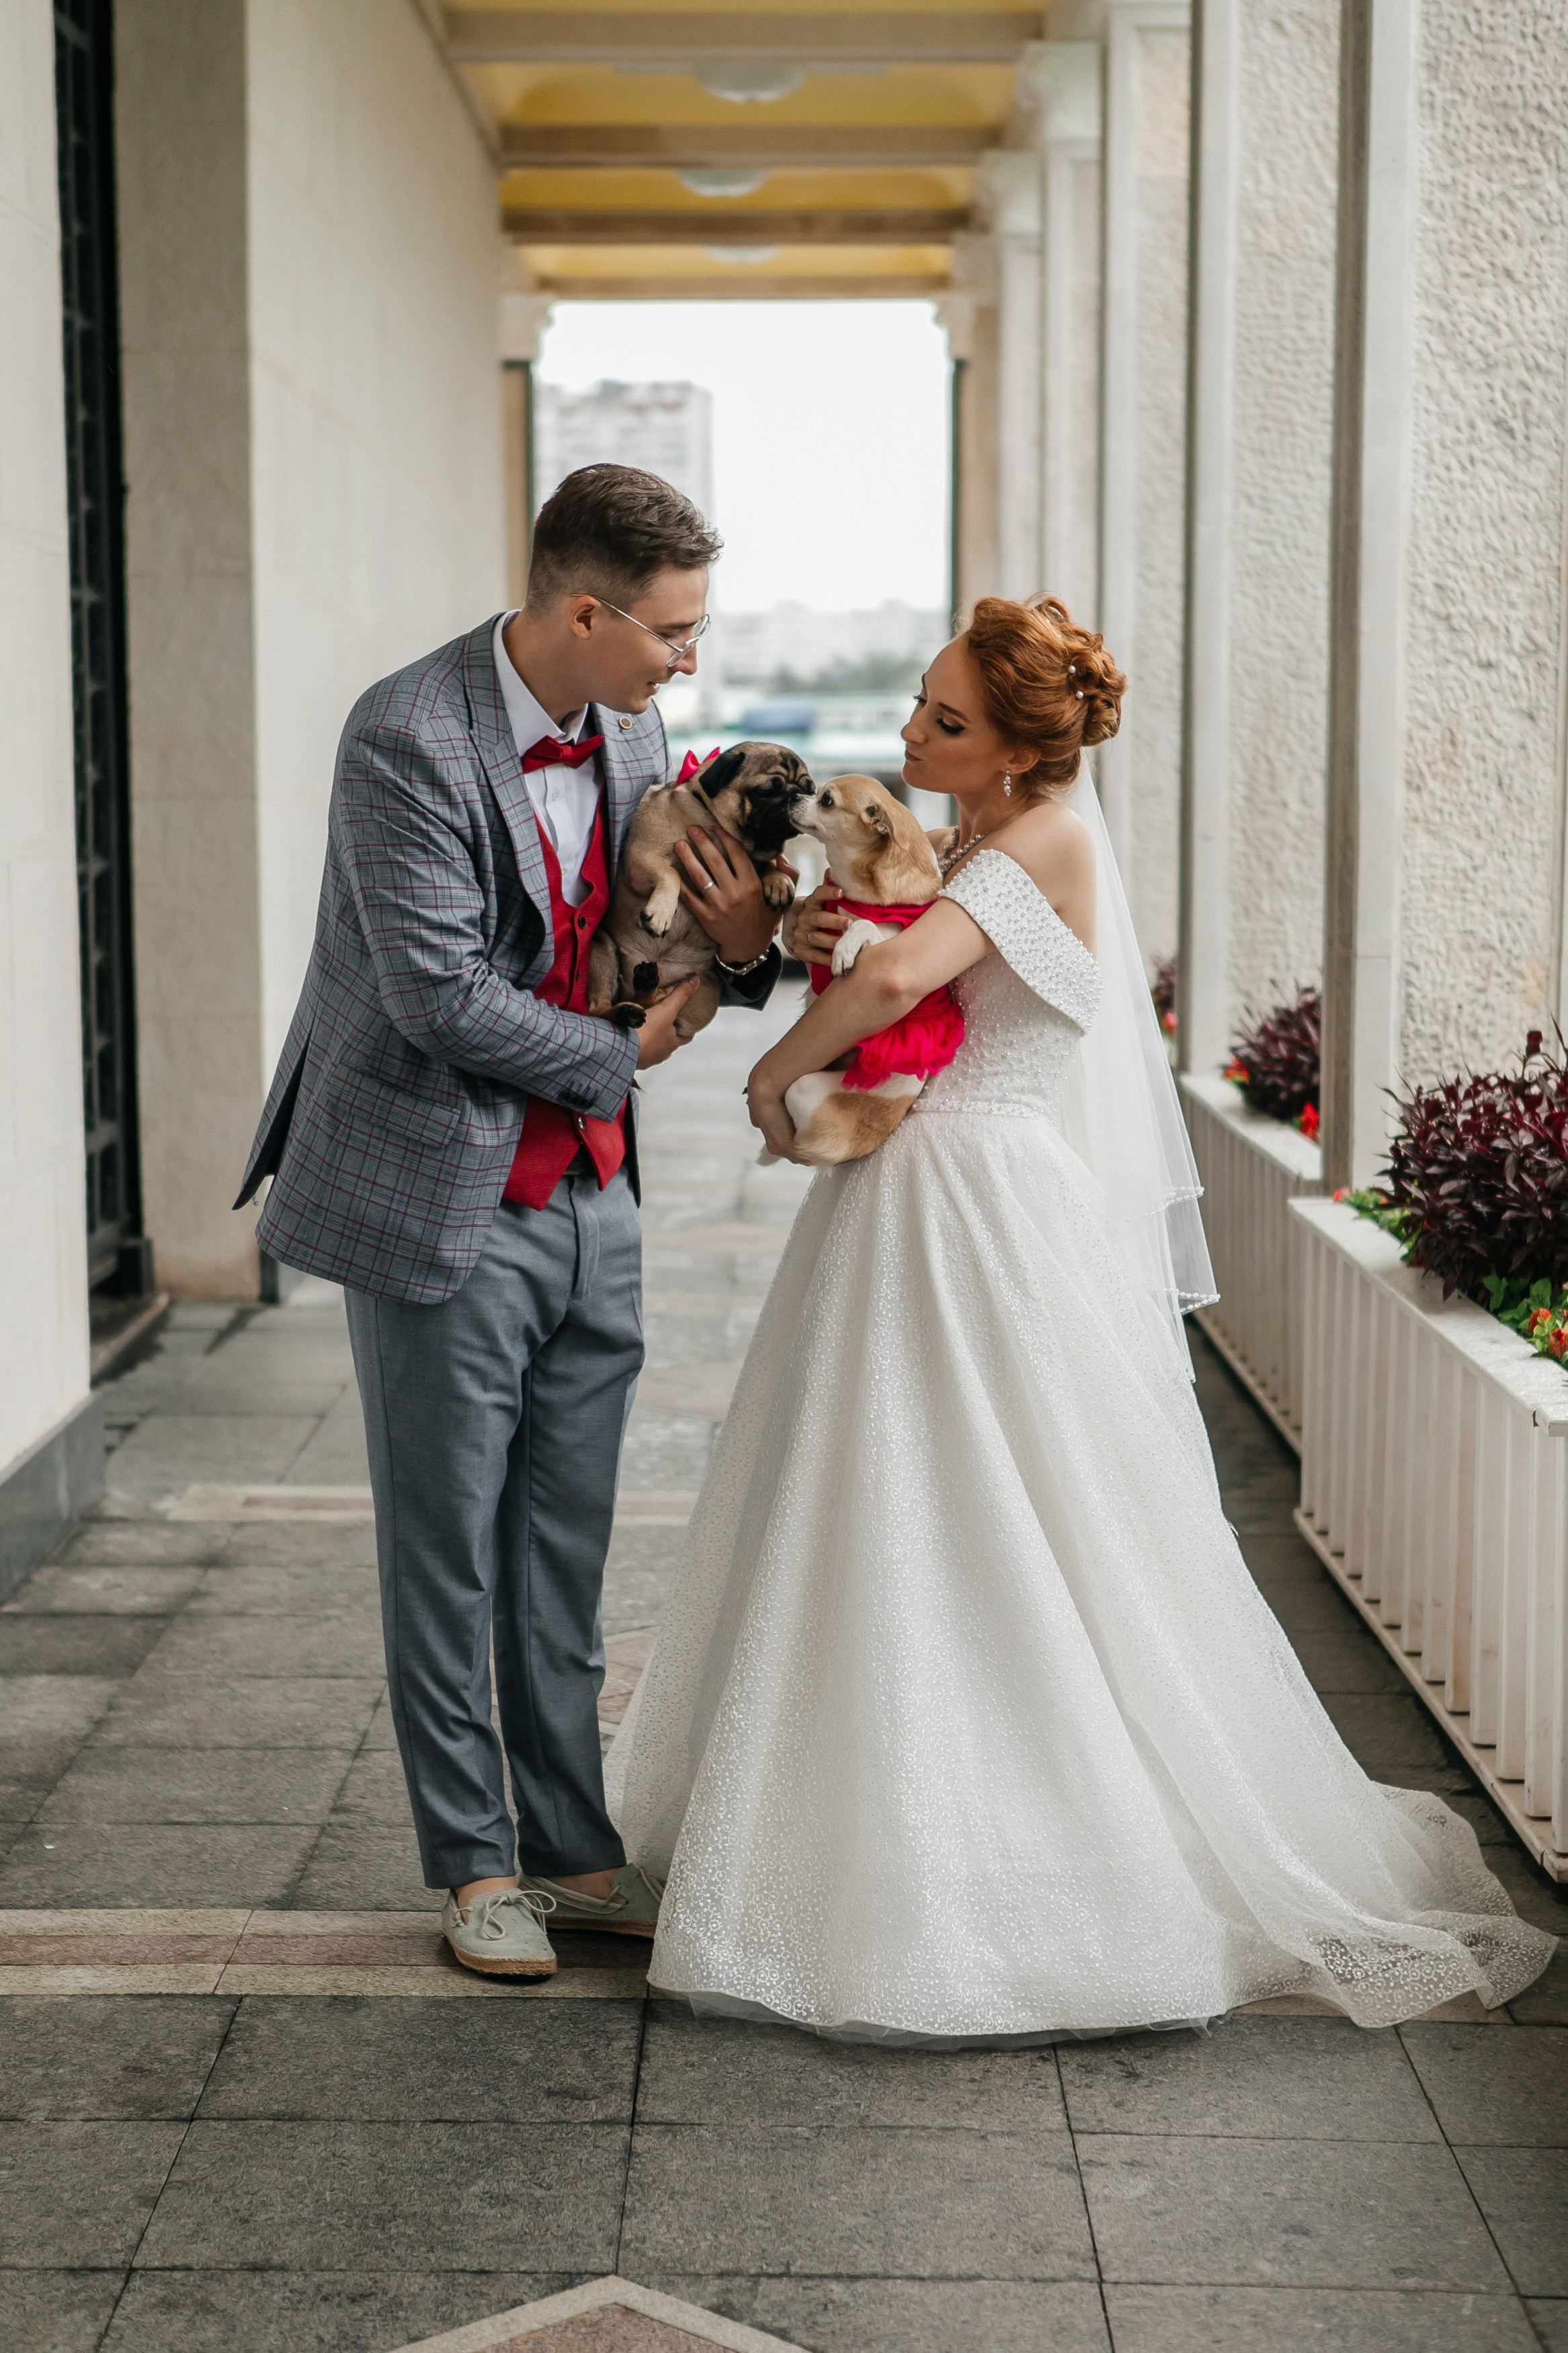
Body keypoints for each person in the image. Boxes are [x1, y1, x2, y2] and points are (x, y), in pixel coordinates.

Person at [605, 594, 1555, 2043]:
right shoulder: (977, 841)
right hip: (918, 1190)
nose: (913, 732)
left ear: (1017, 753)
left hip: (971, 1199)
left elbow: (911, 979)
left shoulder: (1039, 839)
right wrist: (810, 927)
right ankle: (853, 1823)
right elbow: (891, 956)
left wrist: (769, 1069)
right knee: (882, 1504)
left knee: (990, 1513)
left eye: (946, 720)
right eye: (922, 704)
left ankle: (1014, 1865)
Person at [236, 466, 784, 1979]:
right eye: (672, 630)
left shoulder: (635, 725)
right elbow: (437, 997)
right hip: (437, 1185)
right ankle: (472, 1864)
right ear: (586, 609)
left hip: (595, 1189)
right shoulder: (404, 735)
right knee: (447, 1544)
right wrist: (643, 1050)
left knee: (566, 1540)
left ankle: (571, 1848)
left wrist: (742, 958)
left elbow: (668, 931)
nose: (689, 661)